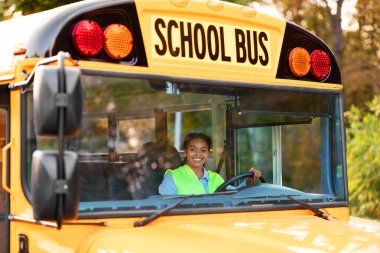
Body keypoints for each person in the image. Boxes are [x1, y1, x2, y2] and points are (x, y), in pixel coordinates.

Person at [159, 132, 262, 195]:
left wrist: (248, 181)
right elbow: (164, 207)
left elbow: (235, 196)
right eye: (193, 149)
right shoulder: (172, 177)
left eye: (203, 150)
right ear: (185, 152)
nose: (198, 154)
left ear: (208, 153)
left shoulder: (215, 178)